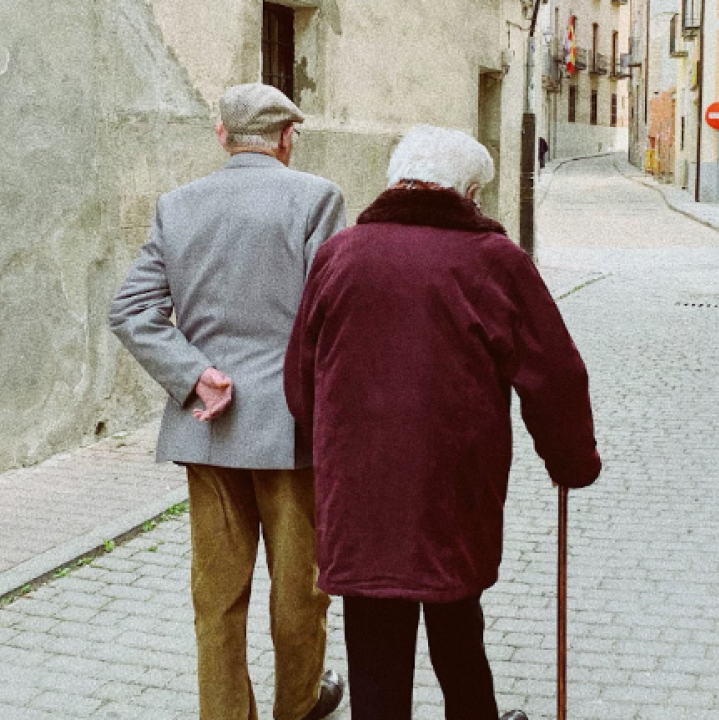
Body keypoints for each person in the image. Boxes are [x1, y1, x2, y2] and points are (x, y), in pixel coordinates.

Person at [283, 125, 602, 720]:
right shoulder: (495, 260)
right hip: (454, 491)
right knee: (458, 629)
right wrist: (571, 459)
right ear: (469, 192)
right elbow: (555, 374)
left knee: (374, 648)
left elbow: (301, 377)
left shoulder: (340, 254)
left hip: (361, 495)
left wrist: (331, 449)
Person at [110, 83, 348, 720]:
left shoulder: (177, 206)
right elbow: (331, 316)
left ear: (221, 136)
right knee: (299, 591)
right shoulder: (317, 198)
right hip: (291, 433)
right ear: (287, 138)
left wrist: (194, 375)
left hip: (208, 429)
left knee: (215, 597)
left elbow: (130, 310)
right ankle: (298, 706)